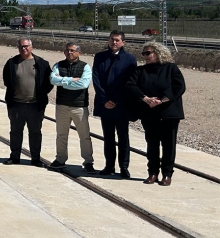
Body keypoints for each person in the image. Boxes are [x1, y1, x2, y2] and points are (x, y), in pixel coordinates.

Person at [126, 41, 185, 186]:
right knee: (152, 144)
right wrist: (145, 98)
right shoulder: (140, 71)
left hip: (168, 112)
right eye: (143, 53)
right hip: (149, 112)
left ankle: (167, 174)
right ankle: (152, 173)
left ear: (158, 53)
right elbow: (130, 85)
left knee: (168, 145)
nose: (145, 56)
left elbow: (179, 86)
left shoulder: (171, 68)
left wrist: (163, 99)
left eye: (148, 53)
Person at [93, 30, 138, 178]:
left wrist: (116, 100)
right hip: (104, 104)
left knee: (123, 137)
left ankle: (124, 166)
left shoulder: (130, 59)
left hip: (122, 105)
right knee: (108, 137)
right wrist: (104, 100)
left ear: (123, 42)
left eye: (117, 40)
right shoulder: (100, 57)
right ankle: (109, 165)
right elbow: (96, 79)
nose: (114, 42)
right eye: (112, 39)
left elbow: (129, 82)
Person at [1, 38, 52, 167]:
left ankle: (35, 158)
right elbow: (7, 80)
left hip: (35, 105)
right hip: (16, 104)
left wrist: (41, 94)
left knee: (35, 132)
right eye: (21, 47)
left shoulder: (41, 63)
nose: (24, 49)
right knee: (15, 131)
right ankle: (14, 157)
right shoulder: (12, 63)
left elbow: (49, 82)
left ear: (31, 47)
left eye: (26, 46)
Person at [49, 42, 96, 173]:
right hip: (62, 106)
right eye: (67, 50)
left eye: (72, 50)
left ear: (79, 52)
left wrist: (62, 81)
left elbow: (84, 84)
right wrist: (71, 80)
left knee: (84, 136)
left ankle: (88, 161)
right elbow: (53, 80)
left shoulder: (85, 67)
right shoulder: (58, 65)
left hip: (79, 107)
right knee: (61, 135)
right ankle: (60, 159)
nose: (69, 53)